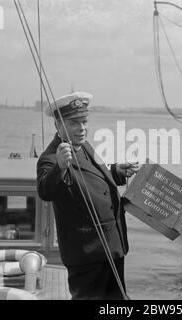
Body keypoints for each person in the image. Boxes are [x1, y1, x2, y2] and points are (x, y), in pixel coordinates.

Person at [37, 91, 139, 299]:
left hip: (111, 246)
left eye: (84, 121)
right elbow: (46, 190)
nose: (82, 128)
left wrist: (117, 171)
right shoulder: (51, 157)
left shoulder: (83, 145)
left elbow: (92, 177)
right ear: (58, 125)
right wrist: (60, 167)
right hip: (88, 254)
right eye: (74, 123)